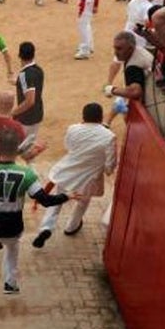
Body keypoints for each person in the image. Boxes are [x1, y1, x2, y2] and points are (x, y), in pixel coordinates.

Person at [0, 128, 69, 320]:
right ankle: (10, 282)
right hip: (12, 228)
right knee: (12, 249)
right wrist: (67, 196)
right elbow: (45, 200)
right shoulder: (26, 175)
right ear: (17, 148)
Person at [32, 103, 117, 248]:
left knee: (56, 202)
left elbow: (69, 146)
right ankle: (71, 227)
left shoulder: (73, 128)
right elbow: (110, 164)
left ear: (83, 116)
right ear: (101, 117)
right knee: (82, 204)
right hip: (88, 179)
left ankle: (45, 228)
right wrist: (107, 170)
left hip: (68, 174)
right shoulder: (109, 136)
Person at [104, 30, 152, 124]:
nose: (115, 53)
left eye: (119, 49)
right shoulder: (139, 51)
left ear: (130, 48)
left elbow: (135, 92)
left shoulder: (133, 67)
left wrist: (111, 90)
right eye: (115, 48)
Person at [10, 42, 45, 147]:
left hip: (25, 118)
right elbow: (32, 84)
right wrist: (17, 82)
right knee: (28, 147)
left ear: (19, 55)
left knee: (14, 147)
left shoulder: (24, 75)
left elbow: (30, 100)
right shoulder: (39, 70)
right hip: (38, 114)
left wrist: (13, 112)